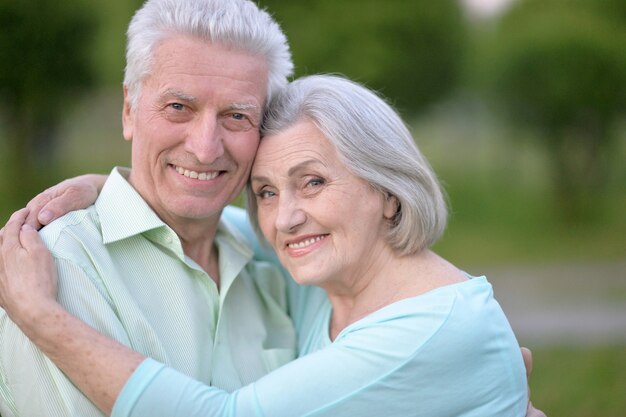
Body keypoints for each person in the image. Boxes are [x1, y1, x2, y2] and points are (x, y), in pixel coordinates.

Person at [0, 74, 534, 416]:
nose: (286, 218)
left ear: (388, 192)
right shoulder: (327, 282)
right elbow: (213, 222)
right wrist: (117, 186)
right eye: (266, 192)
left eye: (314, 182)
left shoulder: (431, 330)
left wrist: (41, 316)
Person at [0, 0, 299, 416]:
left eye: (236, 116)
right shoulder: (58, 267)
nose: (205, 147)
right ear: (129, 110)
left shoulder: (275, 266)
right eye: (179, 107)